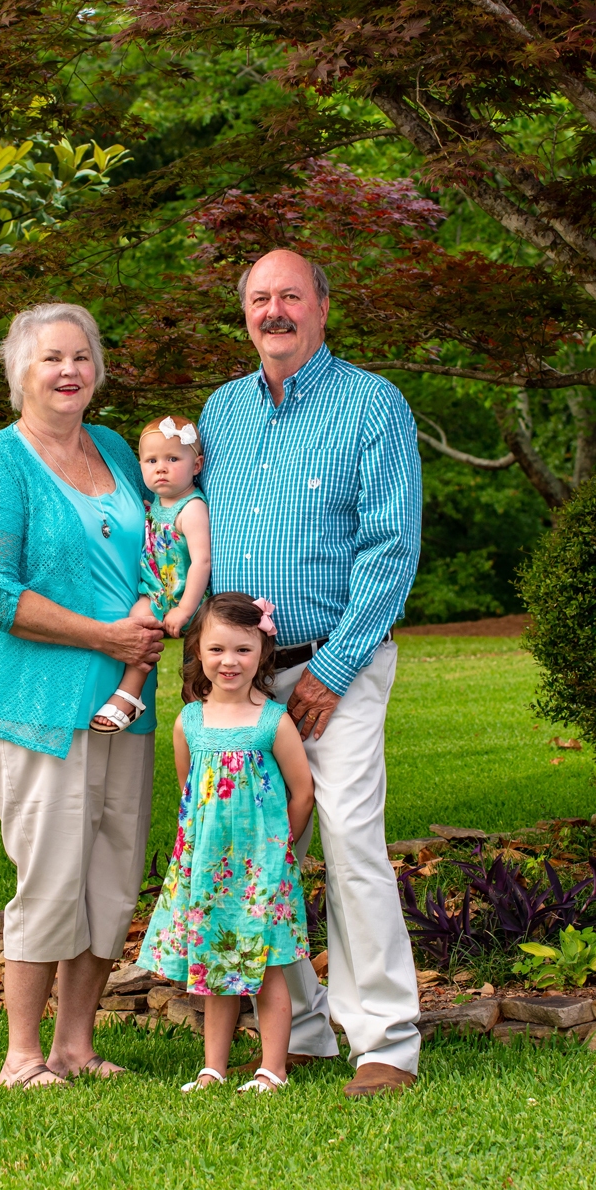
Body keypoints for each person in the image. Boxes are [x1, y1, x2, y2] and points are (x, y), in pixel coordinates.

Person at [198, 249, 423, 1098]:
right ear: (245, 315)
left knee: (350, 839)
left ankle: (385, 1041)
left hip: (340, 665)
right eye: (260, 298)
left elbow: (390, 545)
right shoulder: (220, 411)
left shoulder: (372, 404)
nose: (274, 311)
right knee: (259, 848)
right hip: (244, 680)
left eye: (290, 295)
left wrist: (332, 667)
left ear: (322, 308)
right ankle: (294, 1030)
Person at [0, 301, 164, 1089]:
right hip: (34, 704)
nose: (68, 371)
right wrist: (105, 635)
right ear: (19, 373)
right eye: (50, 358)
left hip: (123, 701)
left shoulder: (114, 448)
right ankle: (22, 1055)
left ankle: (75, 1045)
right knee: (49, 874)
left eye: (80, 356)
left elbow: (158, 548)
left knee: (112, 872)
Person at [139, 593, 314, 1094]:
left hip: (262, 872)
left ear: (262, 653)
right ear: (198, 652)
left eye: (242, 649)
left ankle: (272, 1069)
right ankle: (212, 1068)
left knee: (269, 967)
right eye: (217, 649)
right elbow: (190, 792)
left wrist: (277, 851)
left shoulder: (272, 721)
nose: (229, 661)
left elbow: (303, 792)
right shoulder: (189, 722)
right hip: (208, 870)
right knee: (214, 966)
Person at [90, 414, 211, 732]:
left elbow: (202, 562)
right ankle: (131, 695)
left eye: (173, 459)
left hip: (187, 599)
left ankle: (131, 695)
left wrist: (185, 609)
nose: (161, 468)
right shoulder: (157, 503)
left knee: (201, 675)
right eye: (151, 460)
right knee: (136, 625)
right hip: (158, 593)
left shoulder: (192, 508)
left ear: (196, 465)